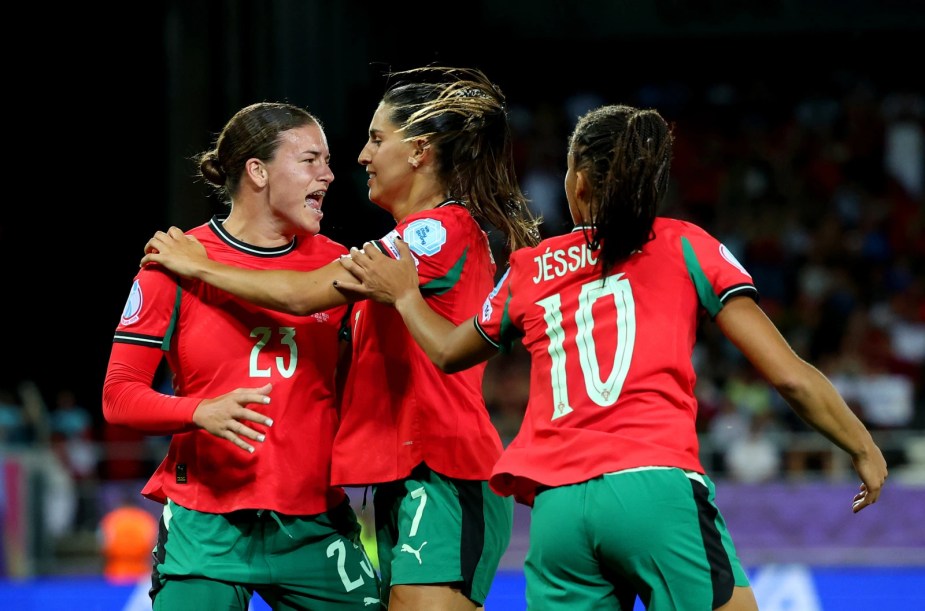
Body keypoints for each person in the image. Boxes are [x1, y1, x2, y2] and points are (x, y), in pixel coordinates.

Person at [332, 104, 890, 610]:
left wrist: (405, 295)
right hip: (655, 488)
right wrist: (863, 446)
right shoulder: (684, 245)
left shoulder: (533, 266)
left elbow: (449, 352)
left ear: (576, 181)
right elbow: (790, 378)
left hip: (558, 512)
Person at [140, 67, 542, 611]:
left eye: (377, 139)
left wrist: (202, 265)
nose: (361, 157)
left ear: (420, 150)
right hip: (407, 475)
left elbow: (303, 295)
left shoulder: (435, 231)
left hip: (445, 470)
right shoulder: (407, 238)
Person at [103, 102, 380, 610]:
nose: (330, 174)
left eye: (328, 161)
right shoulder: (171, 263)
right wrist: (197, 411)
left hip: (314, 526)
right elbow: (119, 397)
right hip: (207, 529)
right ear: (257, 171)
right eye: (311, 161)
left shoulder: (343, 269)